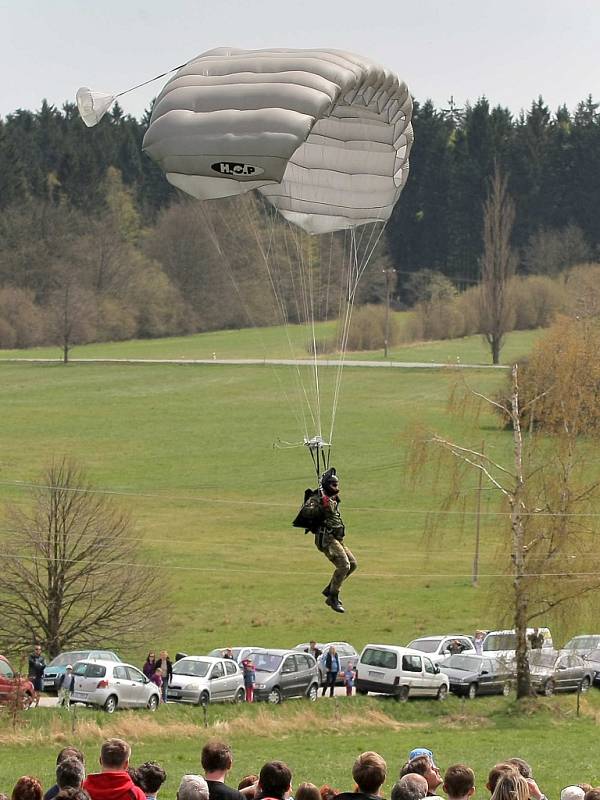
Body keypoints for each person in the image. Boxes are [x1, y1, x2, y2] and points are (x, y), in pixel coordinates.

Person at [315, 468, 357, 614]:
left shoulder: (331, 498)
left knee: (352, 564)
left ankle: (330, 589)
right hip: (327, 538)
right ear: (327, 486)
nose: (337, 488)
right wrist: (322, 494)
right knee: (344, 565)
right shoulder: (323, 500)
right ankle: (333, 597)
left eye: (337, 485)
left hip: (337, 538)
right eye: (333, 485)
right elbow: (326, 507)